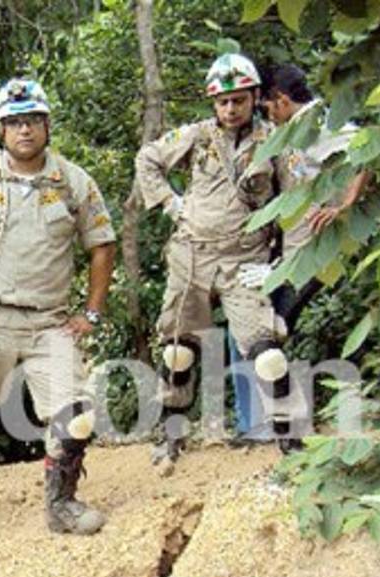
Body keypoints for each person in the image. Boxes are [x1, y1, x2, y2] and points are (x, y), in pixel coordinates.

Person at [0, 78, 117, 538]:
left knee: (76, 416)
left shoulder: (73, 183)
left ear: (47, 124)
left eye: (33, 120)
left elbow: (102, 246)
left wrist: (92, 312)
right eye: (14, 122)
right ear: (1, 129)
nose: (25, 130)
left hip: (48, 321)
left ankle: (62, 503)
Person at [135, 53, 287, 465]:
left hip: (246, 258)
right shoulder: (197, 136)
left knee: (268, 353)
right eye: (223, 102)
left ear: (254, 97)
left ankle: (291, 443)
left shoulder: (275, 141)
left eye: (238, 100)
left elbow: (292, 203)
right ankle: (170, 434)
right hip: (193, 254)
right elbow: (148, 159)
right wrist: (170, 203)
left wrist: (282, 261)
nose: (230, 109)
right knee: (178, 351)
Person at [240, 64, 372, 336]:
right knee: (258, 327)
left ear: (282, 100)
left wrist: (344, 206)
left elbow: (366, 153)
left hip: (315, 248)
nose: (268, 115)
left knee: (270, 333)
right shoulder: (291, 127)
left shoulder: (320, 124)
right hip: (292, 249)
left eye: (267, 107)